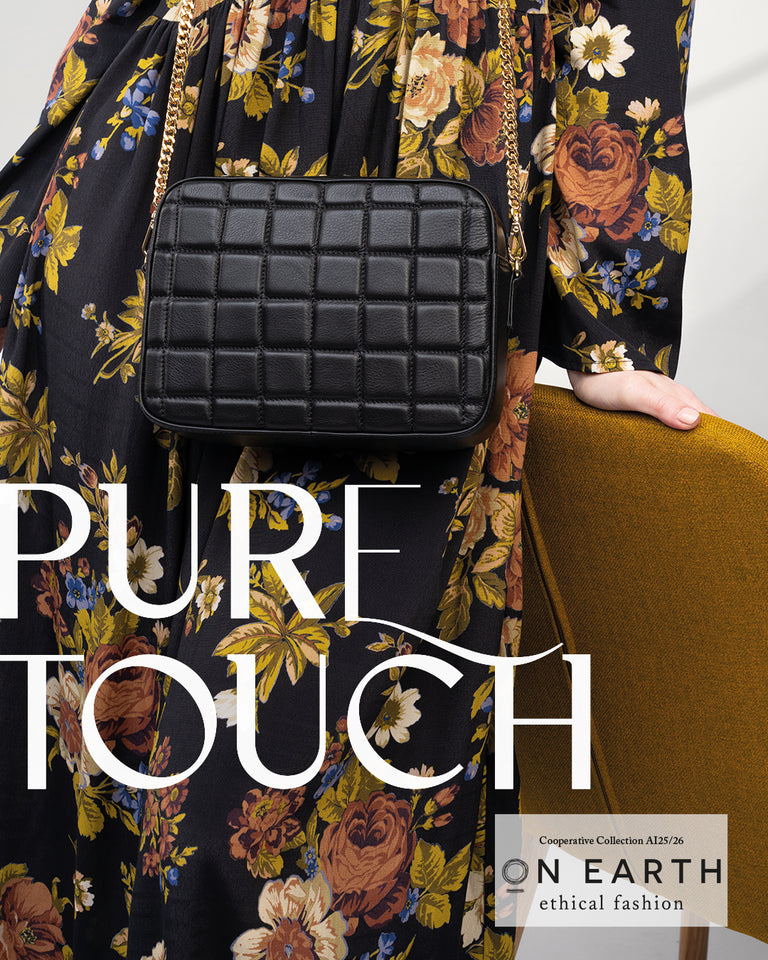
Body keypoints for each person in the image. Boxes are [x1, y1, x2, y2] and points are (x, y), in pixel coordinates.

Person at [0, 1, 711, 958]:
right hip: (159, 157)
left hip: (423, 167)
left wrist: (609, 312)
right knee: (89, 739)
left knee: (286, 813)